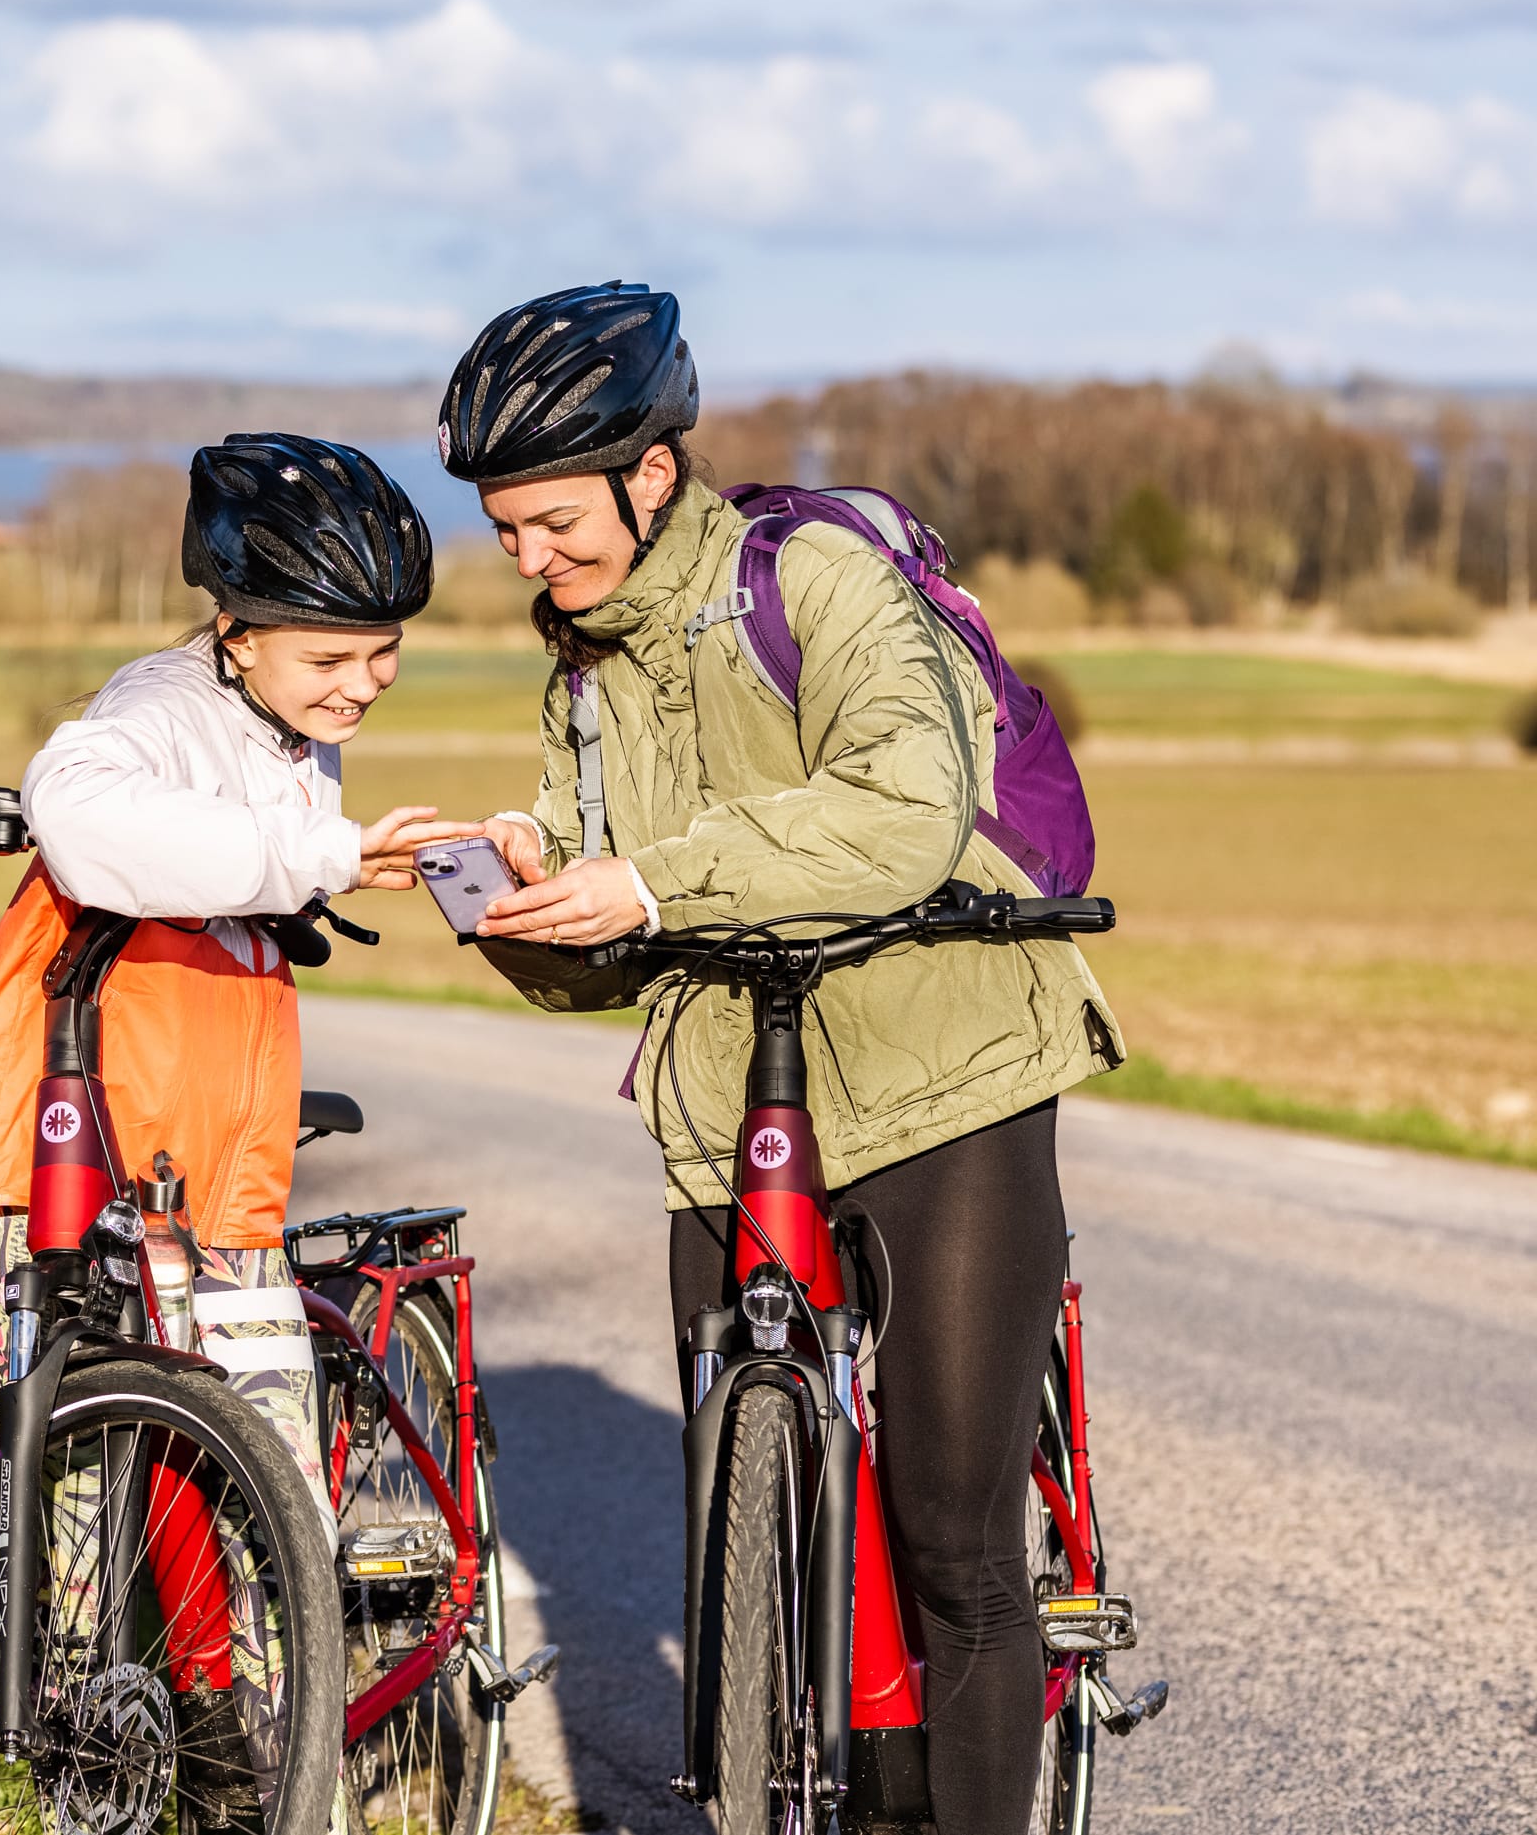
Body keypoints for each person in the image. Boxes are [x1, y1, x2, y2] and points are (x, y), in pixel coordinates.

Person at [435, 284, 1124, 1835]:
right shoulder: (585, 676)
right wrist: (535, 911)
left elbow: (902, 809)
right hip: (737, 1110)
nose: (531, 559)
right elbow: (618, 957)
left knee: (951, 1534)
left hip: (946, 1072)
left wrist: (658, 879)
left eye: (554, 521)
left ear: (652, 473)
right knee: (759, 1533)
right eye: (507, 532)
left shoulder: (810, 578)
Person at [0, 431, 441, 1498]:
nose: (363, 685)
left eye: (383, 651)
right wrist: (320, 855)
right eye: (328, 659)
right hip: (71, 1142)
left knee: (266, 1499)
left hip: (210, 1157)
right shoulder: (158, 707)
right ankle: (81, 1672)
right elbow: (79, 809)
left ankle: (275, 1672)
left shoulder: (292, 721)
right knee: (83, 1493)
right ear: (235, 634)